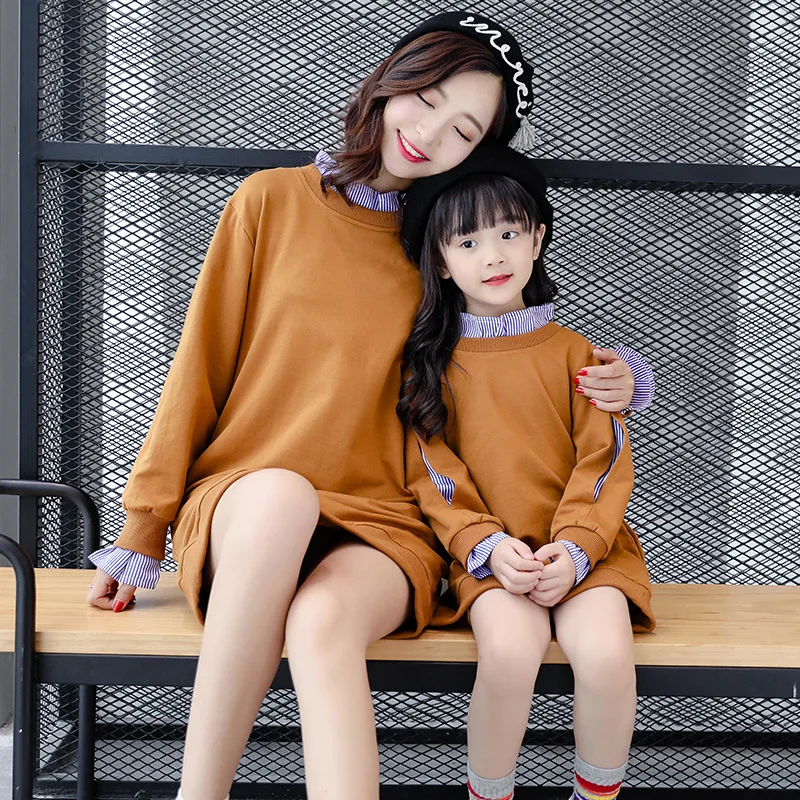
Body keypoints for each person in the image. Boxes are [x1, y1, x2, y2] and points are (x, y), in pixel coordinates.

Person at [84, 12, 655, 800]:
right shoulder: (270, 202)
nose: (428, 134)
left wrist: (625, 378)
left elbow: (514, 356)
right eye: (426, 98)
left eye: (463, 131)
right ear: (392, 79)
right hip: (249, 505)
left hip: (387, 526)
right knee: (282, 497)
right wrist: (142, 531)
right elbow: (197, 372)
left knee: (322, 622)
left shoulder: (446, 251)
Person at [398, 143, 655, 800]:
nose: (493, 256)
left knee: (606, 655)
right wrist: (485, 546)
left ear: (537, 240)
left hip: (588, 555)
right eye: (469, 242)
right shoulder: (431, 366)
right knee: (510, 654)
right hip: (492, 561)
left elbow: (604, 460)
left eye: (509, 233)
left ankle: (595, 796)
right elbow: (432, 473)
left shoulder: (580, 356)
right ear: (441, 261)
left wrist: (576, 549)